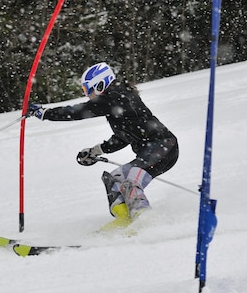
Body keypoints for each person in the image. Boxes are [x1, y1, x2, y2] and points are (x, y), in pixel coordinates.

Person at [28, 62, 179, 228]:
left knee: (132, 179)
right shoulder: (116, 101)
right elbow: (123, 137)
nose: (87, 95)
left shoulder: (115, 96)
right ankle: (124, 217)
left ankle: (145, 219)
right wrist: (95, 151)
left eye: (88, 90)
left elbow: (77, 111)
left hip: (164, 146)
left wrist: (45, 113)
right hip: (151, 151)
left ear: (100, 85)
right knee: (114, 178)